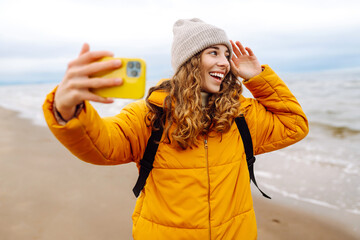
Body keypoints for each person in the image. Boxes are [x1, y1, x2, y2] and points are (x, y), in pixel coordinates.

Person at [43, 18, 308, 239]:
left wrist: (258, 78)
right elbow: (103, 146)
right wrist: (67, 111)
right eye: (213, 52)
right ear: (190, 61)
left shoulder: (240, 115)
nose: (225, 62)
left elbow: (294, 125)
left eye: (226, 54)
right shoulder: (151, 115)